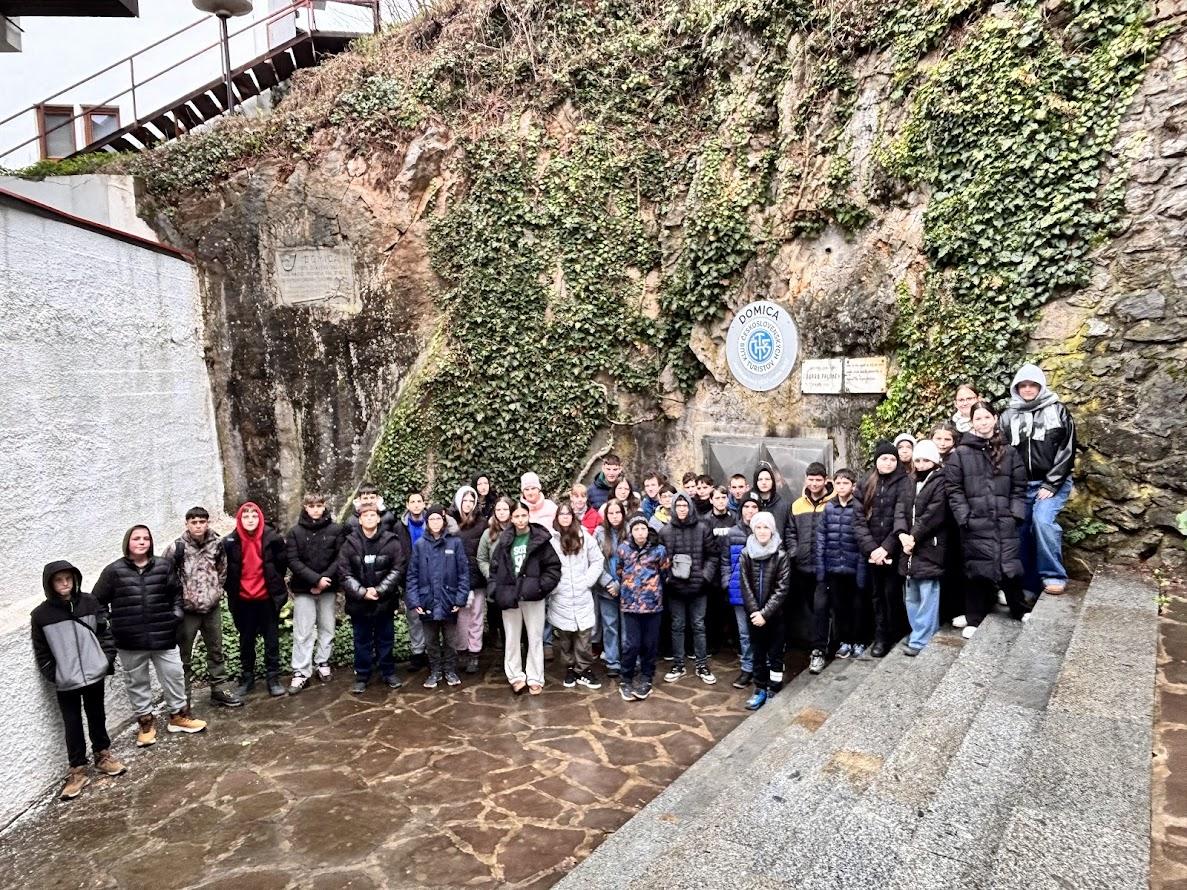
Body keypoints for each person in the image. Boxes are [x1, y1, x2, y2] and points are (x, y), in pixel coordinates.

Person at [94, 525, 207, 746]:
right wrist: (110, 624)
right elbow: (97, 601)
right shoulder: (113, 571)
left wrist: (175, 615)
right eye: (136, 538)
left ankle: (178, 716)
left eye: (146, 538)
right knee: (137, 682)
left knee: (174, 675)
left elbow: (176, 594)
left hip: (163, 635)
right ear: (128, 542)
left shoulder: (163, 566)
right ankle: (145, 723)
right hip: (130, 640)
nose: (142, 542)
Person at [32, 560, 127, 800]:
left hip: (94, 674)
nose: (65, 583)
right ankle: (77, 770)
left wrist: (104, 660)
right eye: (58, 580)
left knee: (97, 716)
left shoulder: (89, 602)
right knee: (72, 724)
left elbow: (105, 632)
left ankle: (103, 756)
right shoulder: (41, 615)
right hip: (66, 681)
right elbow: (42, 652)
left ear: (75, 580)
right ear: (50, 584)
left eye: (68, 578)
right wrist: (56, 674)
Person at [947, 401, 1030, 637]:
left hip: (1004, 519)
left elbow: (1019, 486)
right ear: (971, 422)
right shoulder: (961, 454)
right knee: (976, 570)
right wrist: (964, 516)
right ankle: (974, 617)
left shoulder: (1009, 452)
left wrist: (1015, 513)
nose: (983, 422)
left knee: (1010, 566)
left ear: (995, 418)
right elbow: (954, 489)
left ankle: (1019, 608)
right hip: (975, 521)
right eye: (978, 419)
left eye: (986, 417)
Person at [1000, 362, 1077, 597]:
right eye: (1022, 385)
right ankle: (1027, 584)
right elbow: (1003, 452)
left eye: (1032, 385)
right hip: (1021, 485)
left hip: (1052, 482)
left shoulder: (1058, 410)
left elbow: (1067, 448)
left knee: (1042, 522)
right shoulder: (1008, 415)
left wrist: (1051, 483)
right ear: (1016, 388)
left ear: (1040, 386)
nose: (1027, 389)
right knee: (1020, 529)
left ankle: (1053, 575)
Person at [170, 506, 241, 708]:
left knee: (216, 650)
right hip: (187, 611)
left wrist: (215, 591)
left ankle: (219, 689)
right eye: (194, 522)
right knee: (184, 655)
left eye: (202, 522)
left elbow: (222, 570)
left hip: (211, 608)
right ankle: (183, 697)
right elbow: (167, 576)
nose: (198, 526)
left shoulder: (216, 544)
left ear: (207, 523)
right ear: (187, 524)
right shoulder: (177, 547)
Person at [490, 500, 562, 695]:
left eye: (523, 515)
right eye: (517, 516)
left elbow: (553, 567)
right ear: (511, 518)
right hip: (510, 596)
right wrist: (495, 590)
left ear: (529, 516)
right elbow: (494, 568)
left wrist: (540, 587)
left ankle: (535, 676)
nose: (520, 519)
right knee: (512, 638)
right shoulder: (504, 541)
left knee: (535, 637)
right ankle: (515, 676)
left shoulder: (540, 540)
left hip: (533, 596)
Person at [338, 503, 406, 692]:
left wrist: (379, 590)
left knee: (386, 639)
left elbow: (398, 568)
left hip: (384, 601)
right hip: (359, 603)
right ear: (360, 520)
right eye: (365, 515)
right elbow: (344, 573)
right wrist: (362, 592)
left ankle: (388, 672)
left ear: (378, 518)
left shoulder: (391, 541)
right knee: (362, 640)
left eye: (372, 515)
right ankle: (362, 675)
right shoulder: (349, 543)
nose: (369, 518)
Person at [223, 502, 289, 698]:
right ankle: (247, 678)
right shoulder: (230, 541)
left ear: (260, 518)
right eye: (246, 516)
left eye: (254, 516)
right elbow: (226, 571)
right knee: (246, 640)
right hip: (243, 600)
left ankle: (273, 679)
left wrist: (273, 584)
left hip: (267, 598)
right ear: (239, 519)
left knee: (271, 640)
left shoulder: (272, 538)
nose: (250, 520)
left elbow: (281, 565)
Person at [855, 442, 912, 658]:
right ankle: (880, 636)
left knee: (892, 593)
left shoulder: (904, 482)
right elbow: (858, 520)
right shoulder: (865, 483)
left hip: (893, 550)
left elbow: (902, 517)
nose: (888, 463)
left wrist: (886, 548)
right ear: (876, 460)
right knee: (876, 595)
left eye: (892, 459)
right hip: (871, 553)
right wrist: (872, 549)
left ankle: (895, 631)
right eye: (883, 459)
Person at [285, 492, 344, 694]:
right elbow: (293, 560)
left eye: (319, 505)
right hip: (304, 588)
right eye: (312, 506)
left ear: (324, 506)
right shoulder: (295, 532)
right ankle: (301, 671)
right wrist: (314, 580)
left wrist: (324, 580)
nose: (316, 509)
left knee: (327, 627)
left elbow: (340, 557)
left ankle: (323, 662)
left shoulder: (336, 529)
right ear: (305, 507)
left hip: (328, 586)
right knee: (303, 631)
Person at [658, 493, 719, 685]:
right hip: (675, 589)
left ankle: (702, 664)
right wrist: (668, 578)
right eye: (678, 506)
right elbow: (660, 560)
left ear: (690, 507)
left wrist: (704, 576)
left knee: (699, 626)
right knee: (677, 626)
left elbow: (713, 555)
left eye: (685, 505)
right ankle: (678, 664)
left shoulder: (703, 528)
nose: (682, 509)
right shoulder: (665, 532)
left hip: (698, 587)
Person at [895, 440, 949, 655]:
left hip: (929, 546)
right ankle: (918, 631)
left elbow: (934, 513)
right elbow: (900, 510)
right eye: (917, 460)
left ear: (934, 461)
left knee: (927, 594)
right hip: (908, 548)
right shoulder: (909, 481)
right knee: (911, 595)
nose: (921, 464)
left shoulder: (941, 481)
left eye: (925, 460)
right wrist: (901, 534)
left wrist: (913, 537)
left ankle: (921, 639)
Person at [407, 505, 470, 689]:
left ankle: (450, 670)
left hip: (449, 599)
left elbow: (463, 573)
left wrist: (460, 599)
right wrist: (415, 600)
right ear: (427, 522)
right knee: (431, 640)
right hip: (427, 600)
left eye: (438, 518)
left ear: (444, 521)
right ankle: (435, 671)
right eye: (431, 519)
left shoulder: (455, 542)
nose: (435, 522)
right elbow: (412, 575)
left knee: (450, 639)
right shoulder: (420, 545)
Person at [810, 470, 866, 675]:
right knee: (839, 607)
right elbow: (821, 538)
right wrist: (822, 569)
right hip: (834, 566)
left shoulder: (859, 507)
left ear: (853, 485)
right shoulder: (829, 508)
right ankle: (845, 641)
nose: (842, 487)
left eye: (846, 483)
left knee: (857, 606)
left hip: (853, 566)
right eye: (839, 483)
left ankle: (859, 640)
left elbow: (863, 539)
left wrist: (862, 569)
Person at [739, 512, 792, 710]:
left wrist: (765, 613)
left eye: (766, 527)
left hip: (775, 615)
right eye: (758, 527)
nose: (762, 531)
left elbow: (782, 588)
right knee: (758, 653)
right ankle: (760, 687)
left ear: (772, 529)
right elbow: (745, 585)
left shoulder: (781, 555)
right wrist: (755, 612)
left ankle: (775, 687)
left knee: (776, 654)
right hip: (754, 616)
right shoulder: (746, 554)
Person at [550, 503, 605, 689]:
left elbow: (597, 560)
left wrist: (587, 581)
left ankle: (584, 669)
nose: (565, 517)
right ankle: (570, 668)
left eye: (568, 514)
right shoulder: (551, 540)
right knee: (565, 637)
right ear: (557, 517)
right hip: (561, 596)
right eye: (562, 514)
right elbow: (546, 565)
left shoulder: (584, 537)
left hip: (582, 595)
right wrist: (555, 585)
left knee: (584, 636)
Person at [617, 514, 670, 702]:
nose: (640, 533)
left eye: (643, 529)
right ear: (631, 532)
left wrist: (653, 590)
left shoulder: (659, 550)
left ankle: (647, 677)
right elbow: (619, 571)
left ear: (648, 530)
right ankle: (626, 678)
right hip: (630, 605)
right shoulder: (623, 549)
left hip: (652, 605)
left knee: (650, 643)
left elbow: (665, 573)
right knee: (631, 644)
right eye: (636, 529)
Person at [783, 462, 834, 646]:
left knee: (822, 606)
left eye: (818, 480)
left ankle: (821, 646)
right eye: (811, 479)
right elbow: (790, 531)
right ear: (805, 479)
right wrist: (794, 551)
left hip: (825, 566)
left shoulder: (833, 503)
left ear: (825, 480)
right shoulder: (797, 505)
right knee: (811, 606)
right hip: (803, 565)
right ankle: (816, 641)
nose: (814, 484)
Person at [722, 493, 761, 689]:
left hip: (759, 591)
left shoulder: (764, 530)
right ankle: (747, 668)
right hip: (738, 589)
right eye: (746, 507)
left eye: (754, 507)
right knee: (744, 633)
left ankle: (762, 666)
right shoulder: (732, 533)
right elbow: (725, 562)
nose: (750, 511)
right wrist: (727, 582)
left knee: (760, 631)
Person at [450, 485, 487, 673]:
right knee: (461, 617)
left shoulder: (482, 523)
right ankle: (461, 650)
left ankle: (474, 653)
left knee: (477, 616)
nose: (468, 504)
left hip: (478, 577)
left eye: (472, 501)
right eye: (465, 500)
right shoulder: (451, 522)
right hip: (457, 578)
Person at [394, 491, 430, 671]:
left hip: (430, 576)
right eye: (412, 501)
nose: (416, 504)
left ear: (424, 504)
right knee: (413, 616)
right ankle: (417, 652)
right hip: (410, 578)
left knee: (430, 616)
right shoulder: (399, 527)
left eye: (419, 501)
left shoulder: (432, 522)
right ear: (407, 505)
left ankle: (431, 651)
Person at [477, 496, 516, 651]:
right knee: (498, 620)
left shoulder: (518, 531)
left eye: (505, 509)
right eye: (498, 509)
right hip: (496, 586)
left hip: (515, 585)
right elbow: (482, 559)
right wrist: (491, 575)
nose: (501, 512)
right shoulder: (488, 534)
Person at [595, 499, 628, 677]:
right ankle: (612, 661)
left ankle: (629, 659)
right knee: (610, 626)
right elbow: (595, 561)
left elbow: (635, 560)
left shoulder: (629, 530)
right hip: (606, 590)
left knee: (628, 627)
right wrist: (608, 583)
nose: (614, 516)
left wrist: (620, 583)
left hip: (627, 589)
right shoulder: (599, 533)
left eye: (618, 513)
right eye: (611, 513)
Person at [752, 464, 788, 539]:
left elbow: (788, 531)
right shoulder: (750, 504)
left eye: (767, 479)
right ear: (756, 482)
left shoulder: (783, 505)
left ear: (772, 481)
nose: (764, 482)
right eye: (760, 479)